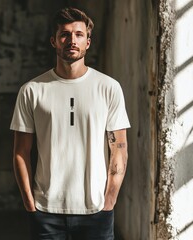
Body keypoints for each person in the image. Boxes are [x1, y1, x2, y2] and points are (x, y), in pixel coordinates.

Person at [10, 7, 130, 240]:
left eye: (78, 34)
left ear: (88, 42)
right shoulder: (32, 90)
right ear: (54, 41)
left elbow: (119, 149)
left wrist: (109, 201)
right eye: (64, 34)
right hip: (46, 211)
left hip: (96, 210)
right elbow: (20, 152)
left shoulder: (108, 88)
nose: (71, 40)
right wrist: (29, 202)